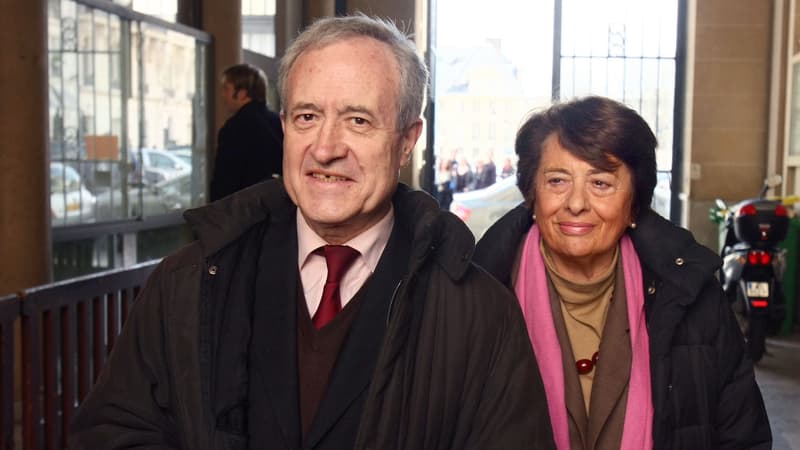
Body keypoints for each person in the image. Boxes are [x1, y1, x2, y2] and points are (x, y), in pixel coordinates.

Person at [69, 15, 555, 450]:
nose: (325, 148)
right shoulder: (188, 282)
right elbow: (114, 432)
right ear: (284, 126)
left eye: (357, 120)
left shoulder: (476, 312)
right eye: (307, 117)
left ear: (408, 140)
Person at [474, 96, 772, 449]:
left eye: (600, 183)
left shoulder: (692, 296)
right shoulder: (476, 299)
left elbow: (742, 436)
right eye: (557, 181)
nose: (576, 202)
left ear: (634, 203)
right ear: (531, 195)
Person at [209, 63, 284, 201]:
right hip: (278, 208)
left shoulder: (235, 126)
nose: (222, 95)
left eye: (226, 88)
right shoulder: (278, 122)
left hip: (244, 212)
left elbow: (225, 180)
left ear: (242, 94)